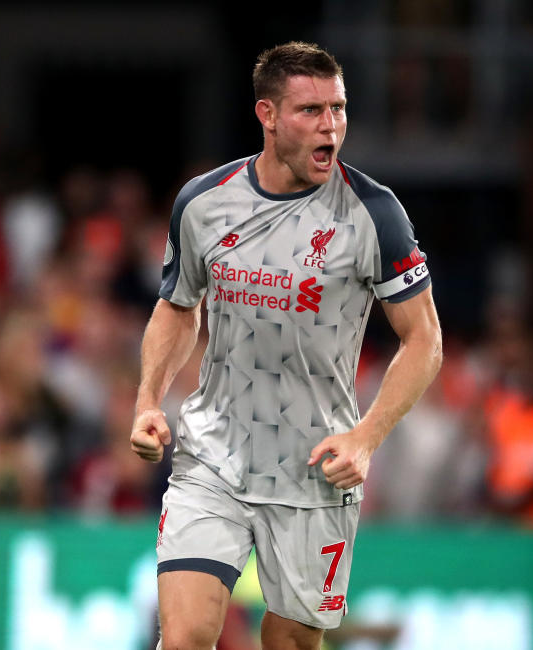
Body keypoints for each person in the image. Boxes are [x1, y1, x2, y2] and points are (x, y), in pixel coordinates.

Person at [129, 42, 442, 650]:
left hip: (315, 469)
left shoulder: (374, 214)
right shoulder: (204, 203)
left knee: (290, 643)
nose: (330, 126)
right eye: (311, 111)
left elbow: (424, 339)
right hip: (213, 456)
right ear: (267, 115)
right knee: (188, 635)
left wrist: (365, 437)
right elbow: (177, 306)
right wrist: (147, 399)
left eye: (339, 109)